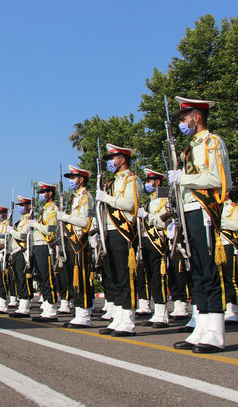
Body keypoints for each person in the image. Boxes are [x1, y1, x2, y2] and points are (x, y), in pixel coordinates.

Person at [168, 96, 232, 353]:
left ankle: (215, 332)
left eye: (184, 118)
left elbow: (217, 178)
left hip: (205, 210)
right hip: (190, 212)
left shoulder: (212, 142)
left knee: (208, 271)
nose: (182, 123)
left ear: (197, 117)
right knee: (196, 272)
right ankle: (202, 327)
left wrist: (183, 178)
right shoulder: (190, 148)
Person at [96, 144, 143, 337]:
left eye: (112, 158)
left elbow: (130, 204)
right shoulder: (109, 182)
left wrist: (108, 198)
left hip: (123, 231)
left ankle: (129, 320)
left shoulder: (132, 180)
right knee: (113, 276)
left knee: (125, 277)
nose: (109, 162)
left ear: (122, 159)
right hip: (108, 231)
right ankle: (119, 317)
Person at [57, 166, 95, 328]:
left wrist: (65, 216)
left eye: (73, 178)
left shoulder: (86, 197)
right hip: (70, 241)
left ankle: (85, 314)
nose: (71, 181)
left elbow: (85, 222)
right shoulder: (73, 198)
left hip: (80, 240)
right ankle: (79, 311)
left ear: (82, 179)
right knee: (71, 277)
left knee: (81, 277)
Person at [137, 169, 170, 328]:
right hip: (146, 241)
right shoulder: (148, 202)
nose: (147, 184)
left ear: (157, 182)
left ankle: (162, 313)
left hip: (158, 241)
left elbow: (164, 222)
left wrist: (147, 217)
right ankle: (157, 311)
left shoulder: (165, 201)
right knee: (150, 276)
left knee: (158, 277)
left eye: (149, 181)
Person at [30, 182, 60, 322]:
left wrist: (34, 224)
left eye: (43, 193)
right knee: (41, 278)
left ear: (50, 193)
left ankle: (52, 308)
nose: (41, 195)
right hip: (38, 246)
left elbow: (50, 229)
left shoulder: (53, 209)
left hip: (45, 246)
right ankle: (47, 306)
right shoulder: (44, 210)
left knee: (47, 277)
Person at [220, 191, 238, 324]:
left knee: (231, 279)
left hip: (229, 244)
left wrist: (220, 222)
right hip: (218, 245)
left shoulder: (234, 207)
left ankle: (235, 310)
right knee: (221, 279)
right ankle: (224, 308)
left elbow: (235, 225)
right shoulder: (216, 207)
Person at [9, 195, 35, 317]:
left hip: (23, 251)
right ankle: (22, 304)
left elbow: (23, 236)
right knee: (18, 278)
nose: (20, 207)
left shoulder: (29, 219)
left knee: (24, 278)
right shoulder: (20, 221)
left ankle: (25, 306)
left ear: (29, 206)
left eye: (22, 205)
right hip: (15, 252)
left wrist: (11, 231)